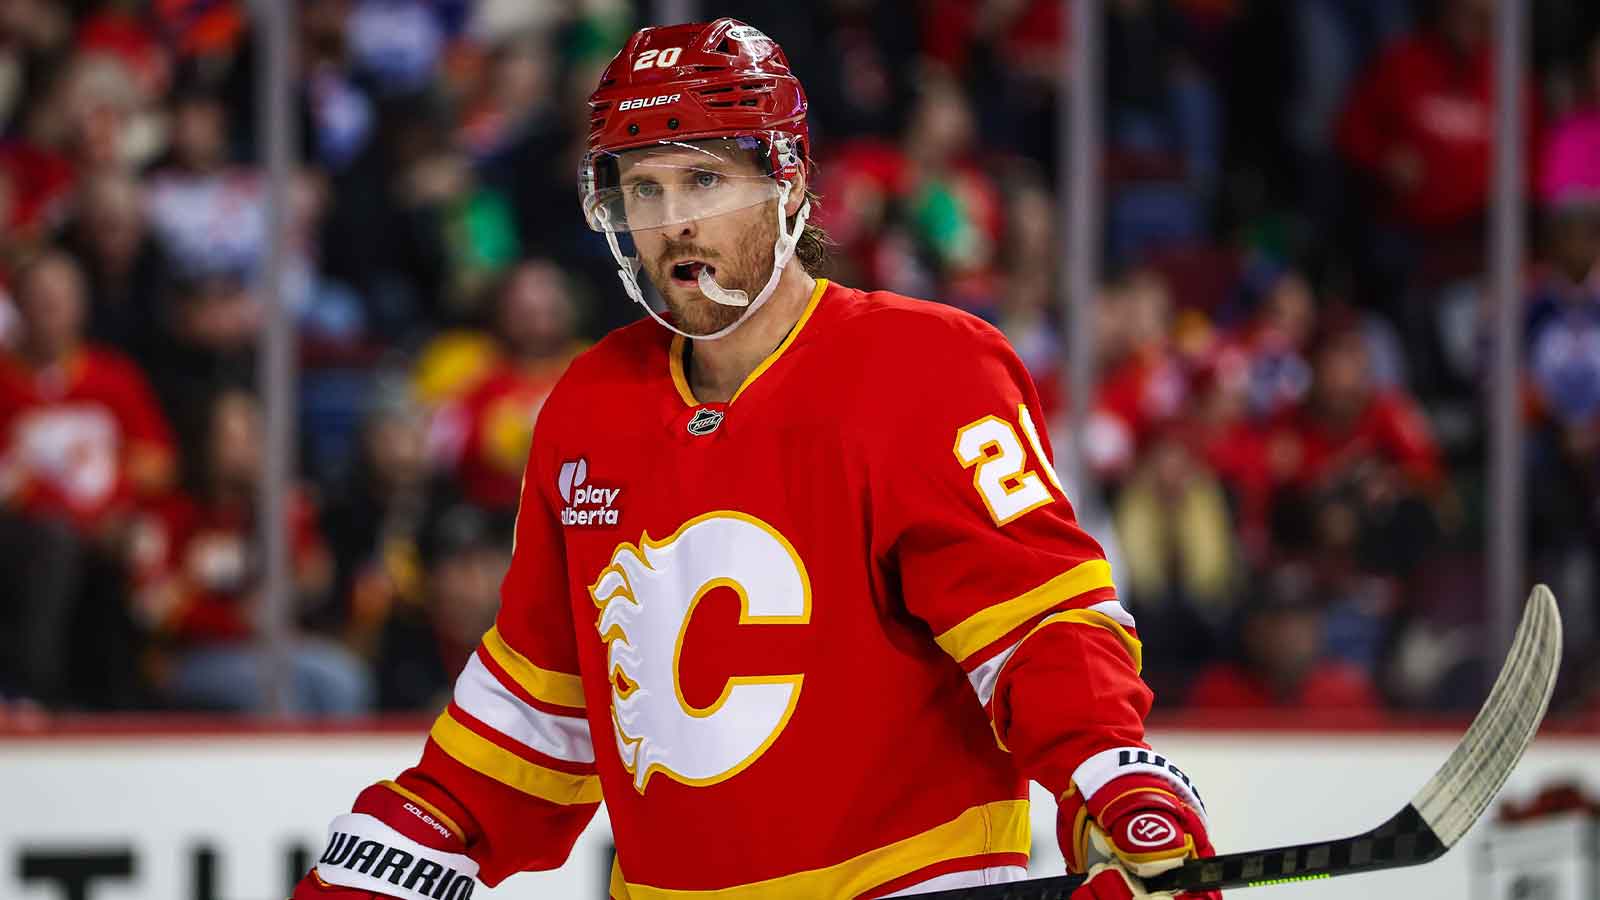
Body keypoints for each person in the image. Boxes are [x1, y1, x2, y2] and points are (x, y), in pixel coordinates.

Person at [294, 19, 1216, 900]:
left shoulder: (929, 368)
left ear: (789, 184)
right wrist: (410, 837)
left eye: (702, 181)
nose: (672, 224)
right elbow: (542, 702)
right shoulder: (587, 407)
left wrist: (1113, 781)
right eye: (643, 191)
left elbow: (1037, 626)